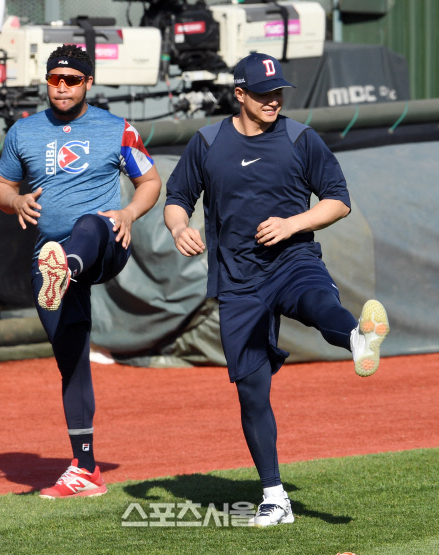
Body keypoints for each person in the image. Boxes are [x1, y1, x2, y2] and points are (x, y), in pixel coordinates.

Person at [164, 53, 389, 527]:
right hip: (238, 282)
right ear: (239, 94)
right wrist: (179, 227)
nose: (273, 100)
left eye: (278, 92)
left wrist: (292, 225)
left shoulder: (299, 138)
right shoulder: (207, 142)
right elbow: (177, 198)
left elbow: (338, 202)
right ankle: (274, 496)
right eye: (263, 93)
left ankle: (358, 340)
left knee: (318, 302)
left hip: (293, 260)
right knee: (252, 391)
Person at [0, 44, 161, 498]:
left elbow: (149, 181)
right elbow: (1, 184)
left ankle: (66, 267)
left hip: (104, 244)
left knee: (92, 222)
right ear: (46, 82)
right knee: (71, 360)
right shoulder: (23, 132)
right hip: (47, 253)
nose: (61, 87)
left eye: (71, 80)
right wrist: (16, 201)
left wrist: (128, 214)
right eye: (54, 79)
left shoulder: (116, 128)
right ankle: (85, 469)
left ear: (88, 83)